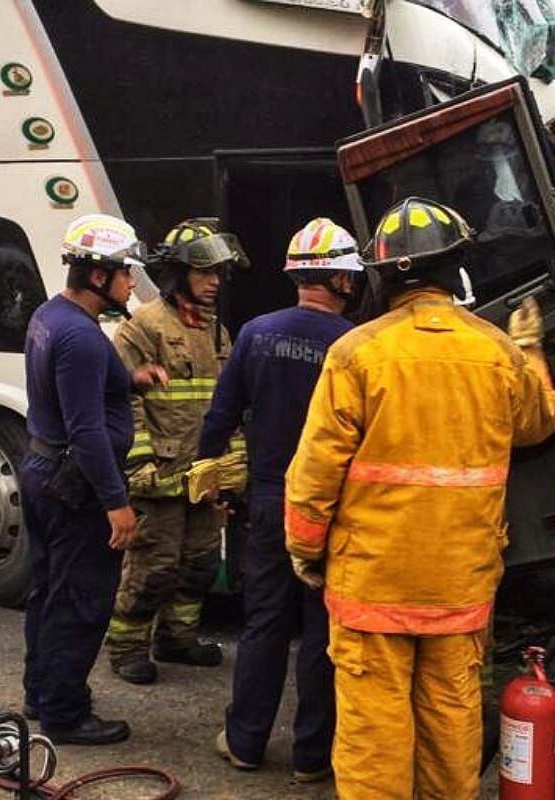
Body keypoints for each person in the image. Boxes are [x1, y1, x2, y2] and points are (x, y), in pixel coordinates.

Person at [284, 197, 555, 798]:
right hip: (460, 581)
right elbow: (538, 423)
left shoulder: (356, 353)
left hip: (371, 581)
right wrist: (532, 347)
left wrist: (306, 550)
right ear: (456, 267)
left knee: (373, 730)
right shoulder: (497, 351)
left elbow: (315, 472)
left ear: (382, 275)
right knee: (450, 720)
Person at [201, 218, 363, 782]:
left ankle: (245, 742)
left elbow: (220, 417)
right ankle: (312, 757)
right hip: (335, 510)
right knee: (323, 631)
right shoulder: (356, 344)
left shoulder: (255, 333)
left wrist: (212, 478)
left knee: (264, 623)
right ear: (343, 279)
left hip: (270, 503)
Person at [21, 213, 150, 745]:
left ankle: (41, 693)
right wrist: (116, 504)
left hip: (42, 468)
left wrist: (131, 380)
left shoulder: (50, 316)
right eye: (126, 272)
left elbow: (73, 392)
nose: (132, 282)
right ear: (98, 276)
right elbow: (88, 431)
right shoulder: (82, 338)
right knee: (81, 601)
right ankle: (65, 714)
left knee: (49, 591)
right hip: (74, 485)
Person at [105, 218, 248, 684]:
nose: (214, 282)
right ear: (177, 274)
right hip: (159, 474)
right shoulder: (143, 327)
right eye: (204, 272)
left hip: (202, 474)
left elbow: (228, 403)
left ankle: (177, 640)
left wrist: (232, 468)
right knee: (154, 568)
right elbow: (124, 402)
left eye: (218, 273)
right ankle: (127, 647)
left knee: (200, 564)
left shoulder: (217, 331)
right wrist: (141, 463)